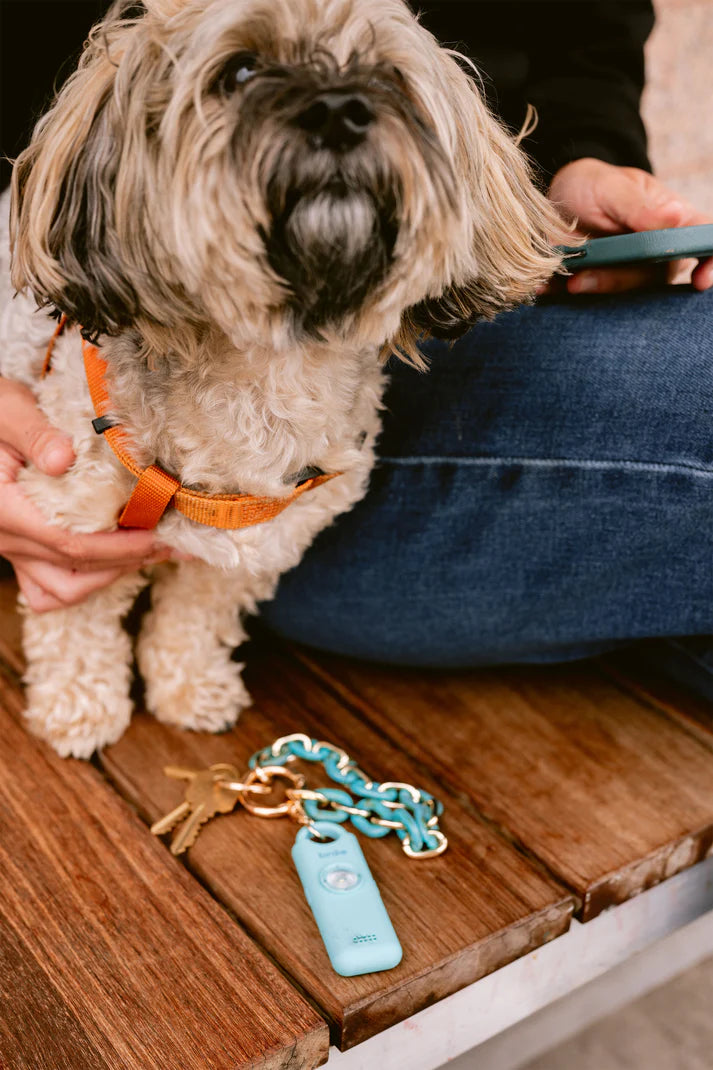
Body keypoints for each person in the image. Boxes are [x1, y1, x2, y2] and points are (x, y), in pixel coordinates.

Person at [2, 2, 713, 680]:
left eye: (385, 82)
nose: (337, 109)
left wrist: (578, 156)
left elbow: (584, 39)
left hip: (412, 337)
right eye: (243, 74)